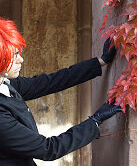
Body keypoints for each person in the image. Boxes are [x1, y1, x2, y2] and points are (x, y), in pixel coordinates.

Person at [0, 18, 123, 166]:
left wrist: (101, 61)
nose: (21, 59)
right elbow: (48, 149)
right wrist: (95, 120)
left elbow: (51, 82)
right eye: (14, 55)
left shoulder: (7, 84)